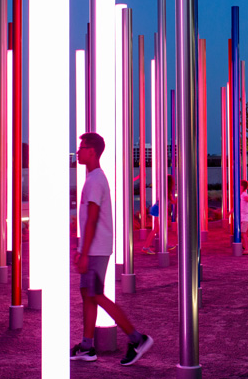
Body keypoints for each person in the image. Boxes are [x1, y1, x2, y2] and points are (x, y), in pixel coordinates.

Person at [71, 132, 154, 365]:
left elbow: (94, 219)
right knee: (88, 295)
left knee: (95, 294)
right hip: (94, 249)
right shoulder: (93, 179)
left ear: (93, 152)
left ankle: (137, 339)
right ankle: (87, 347)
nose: (78, 152)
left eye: (82, 147)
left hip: (95, 250)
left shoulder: (95, 180)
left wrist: (84, 253)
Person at [142, 174, 177, 254]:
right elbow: (172, 201)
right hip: (158, 210)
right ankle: (146, 247)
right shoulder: (166, 191)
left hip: (157, 209)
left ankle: (164, 244)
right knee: (156, 229)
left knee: (160, 228)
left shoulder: (164, 190)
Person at [240, 180, 248, 255]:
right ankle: (247, 239)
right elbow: (236, 206)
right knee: (242, 233)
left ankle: (247, 249)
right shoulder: (239, 195)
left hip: (246, 217)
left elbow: (247, 198)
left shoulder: (244, 194)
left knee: (243, 232)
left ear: (243, 187)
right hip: (242, 217)